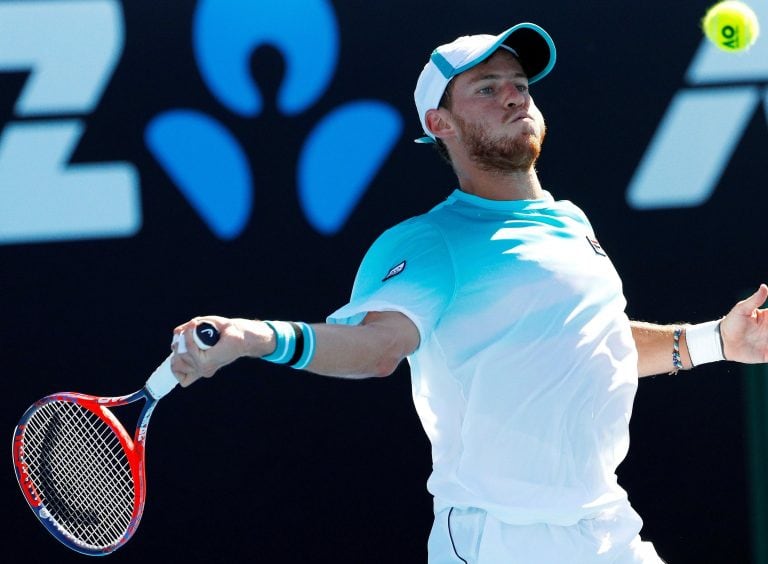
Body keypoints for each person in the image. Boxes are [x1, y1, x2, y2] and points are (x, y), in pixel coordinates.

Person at [171, 22, 768, 563]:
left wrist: (717, 340)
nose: (514, 94)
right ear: (440, 123)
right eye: (486, 88)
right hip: (500, 542)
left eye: (519, 83)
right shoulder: (430, 242)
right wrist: (258, 337)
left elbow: (595, 345)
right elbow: (375, 349)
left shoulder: (570, 221)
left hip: (607, 527)